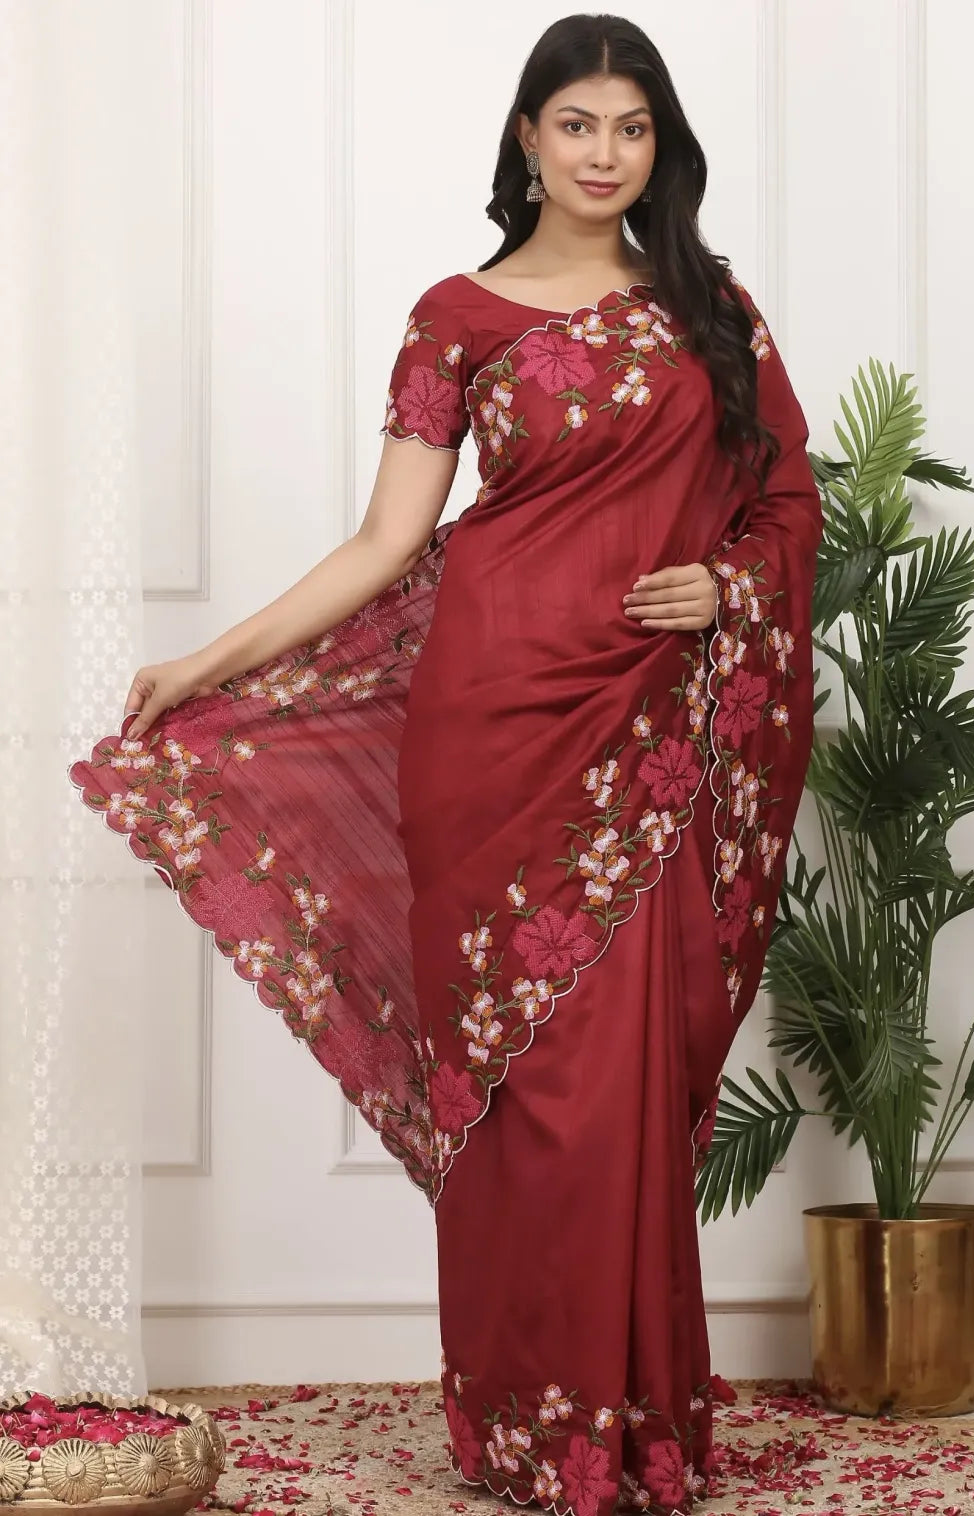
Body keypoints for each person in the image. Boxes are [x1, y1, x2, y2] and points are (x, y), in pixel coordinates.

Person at [69, 13, 822, 1516]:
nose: (604, 155)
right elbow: (387, 542)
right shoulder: (455, 318)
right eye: (575, 125)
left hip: (645, 739)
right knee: (516, 1090)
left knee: (615, 1085)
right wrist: (208, 665)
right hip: (485, 730)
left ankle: (627, 1433)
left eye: (632, 129)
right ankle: (527, 1431)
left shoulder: (711, 313)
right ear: (525, 140)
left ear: (659, 149)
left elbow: (788, 508)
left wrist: (726, 588)